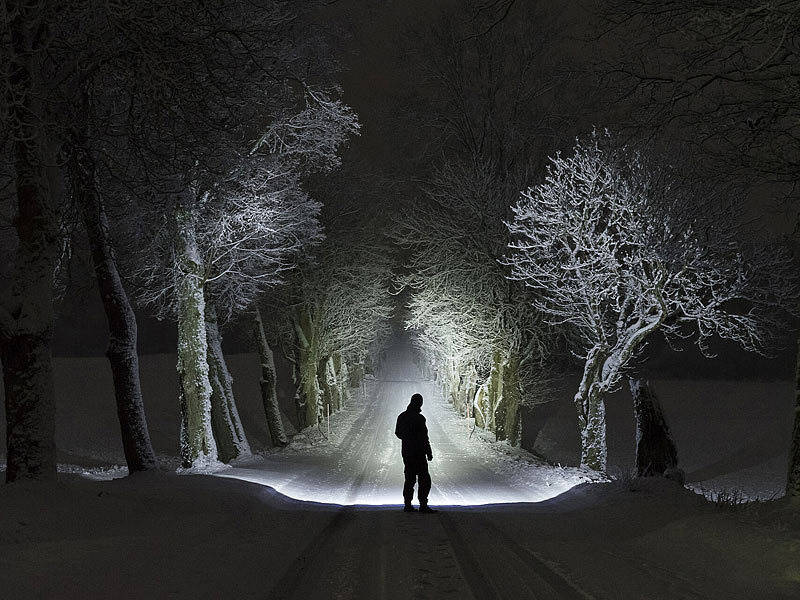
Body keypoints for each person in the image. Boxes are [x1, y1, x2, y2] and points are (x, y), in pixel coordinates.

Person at [394, 393, 437, 513]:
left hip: (407, 453)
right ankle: (423, 504)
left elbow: (398, 433)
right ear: (420, 403)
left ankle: (407, 505)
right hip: (419, 453)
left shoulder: (402, 416)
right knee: (424, 479)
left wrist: (407, 439)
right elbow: (424, 437)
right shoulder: (420, 418)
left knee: (409, 479)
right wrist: (428, 452)